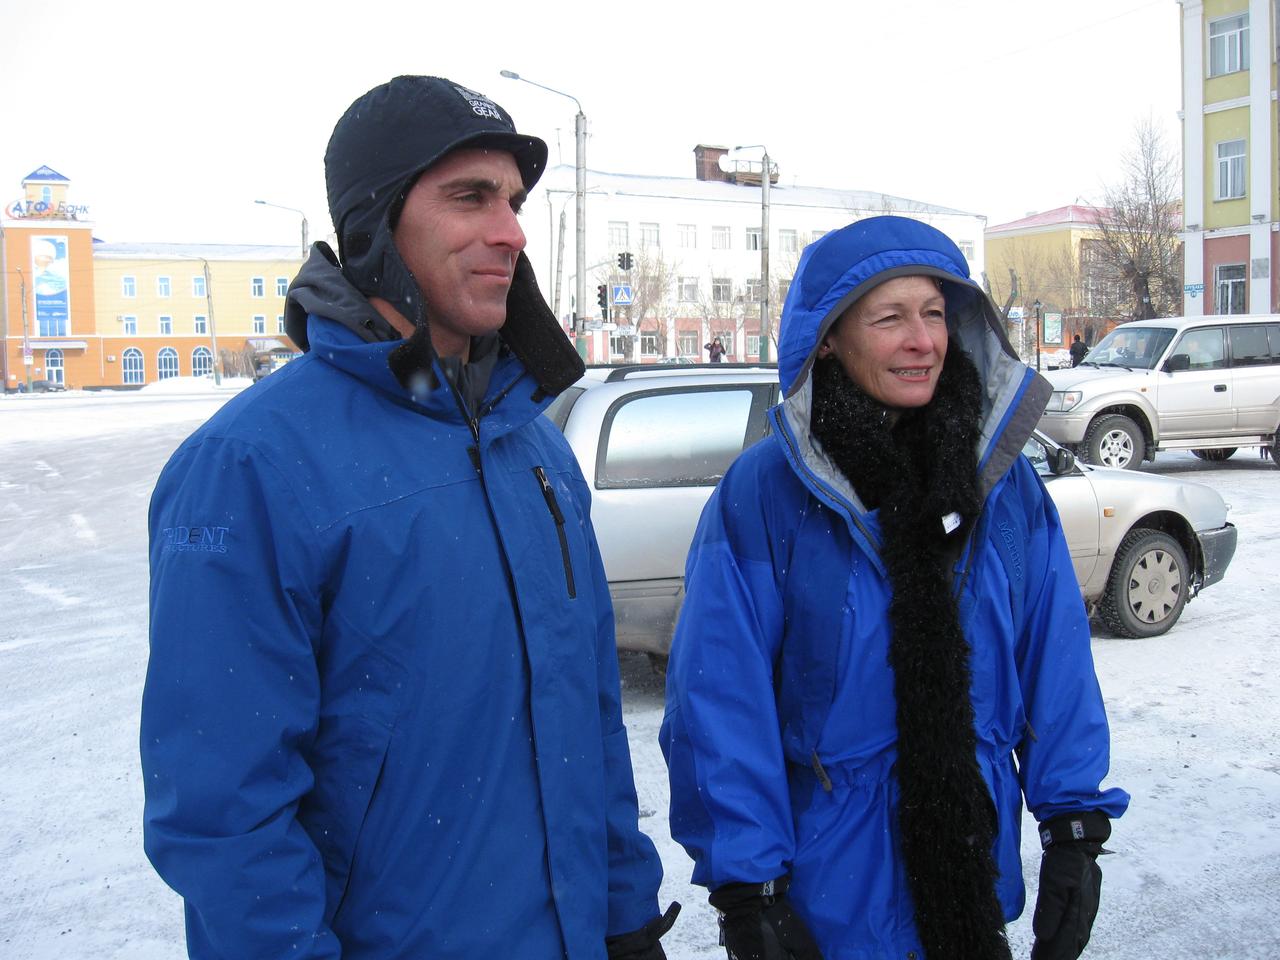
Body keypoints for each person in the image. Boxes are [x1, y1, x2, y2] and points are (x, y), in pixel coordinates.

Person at [142, 75, 676, 960]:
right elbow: (224, 810)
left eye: (513, 203)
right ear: (375, 228)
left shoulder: (534, 448)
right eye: (470, 198)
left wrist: (624, 917)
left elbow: (587, 717)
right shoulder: (251, 466)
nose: (510, 232)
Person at [661, 216, 1128, 960]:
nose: (922, 341)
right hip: (827, 908)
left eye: (934, 313)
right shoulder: (766, 494)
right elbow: (720, 699)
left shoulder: (1000, 485)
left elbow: (1056, 662)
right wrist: (749, 887)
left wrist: (1073, 825)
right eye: (890, 319)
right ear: (829, 339)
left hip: (970, 891)